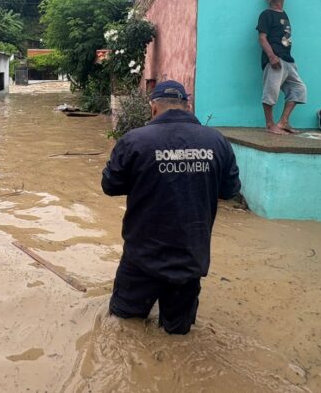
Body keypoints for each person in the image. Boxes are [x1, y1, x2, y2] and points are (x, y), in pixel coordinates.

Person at [101, 80, 241, 335]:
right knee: (177, 335)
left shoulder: (135, 140)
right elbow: (231, 191)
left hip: (141, 260)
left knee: (123, 328)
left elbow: (110, 185)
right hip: (190, 261)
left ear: (153, 108)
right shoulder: (217, 141)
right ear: (188, 106)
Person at [256, 0, 307, 135]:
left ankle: (284, 121)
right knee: (271, 92)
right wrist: (271, 57)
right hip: (275, 58)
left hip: (288, 60)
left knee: (299, 89)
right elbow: (262, 38)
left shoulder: (284, 14)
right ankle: (270, 124)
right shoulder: (266, 14)